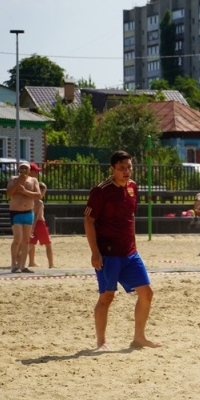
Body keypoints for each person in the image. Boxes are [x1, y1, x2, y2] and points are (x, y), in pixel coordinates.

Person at [84, 150, 161, 351]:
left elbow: (131, 218)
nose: (126, 171)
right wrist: (95, 252)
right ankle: (101, 342)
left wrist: (134, 244)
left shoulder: (133, 188)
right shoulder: (100, 191)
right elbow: (89, 220)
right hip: (108, 254)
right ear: (112, 169)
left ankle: (139, 338)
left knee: (147, 293)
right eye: (122, 168)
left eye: (129, 167)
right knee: (107, 296)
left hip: (130, 252)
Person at [6, 160, 42, 273]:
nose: (23, 170)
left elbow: (38, 195)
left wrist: (25, 191)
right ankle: (13, 264)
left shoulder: (33, 180)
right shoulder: (13, 179)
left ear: (29, 170)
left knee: (26, 240)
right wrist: (18, 183)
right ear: (18, 169)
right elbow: (9, 193)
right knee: (17, 239)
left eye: (25, 168)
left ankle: (22, 265)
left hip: (28, 212)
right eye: (21, 168)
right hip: (16, 212)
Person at [28, 179, 54, 269]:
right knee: (48, 243)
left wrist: (31, 227)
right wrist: (33, 226)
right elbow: (36, 216)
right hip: (39, 223)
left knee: (30, 244)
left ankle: (22, 260)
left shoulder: (31, 200)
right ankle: (51, 264)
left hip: (31, 223)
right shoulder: (39, 202)